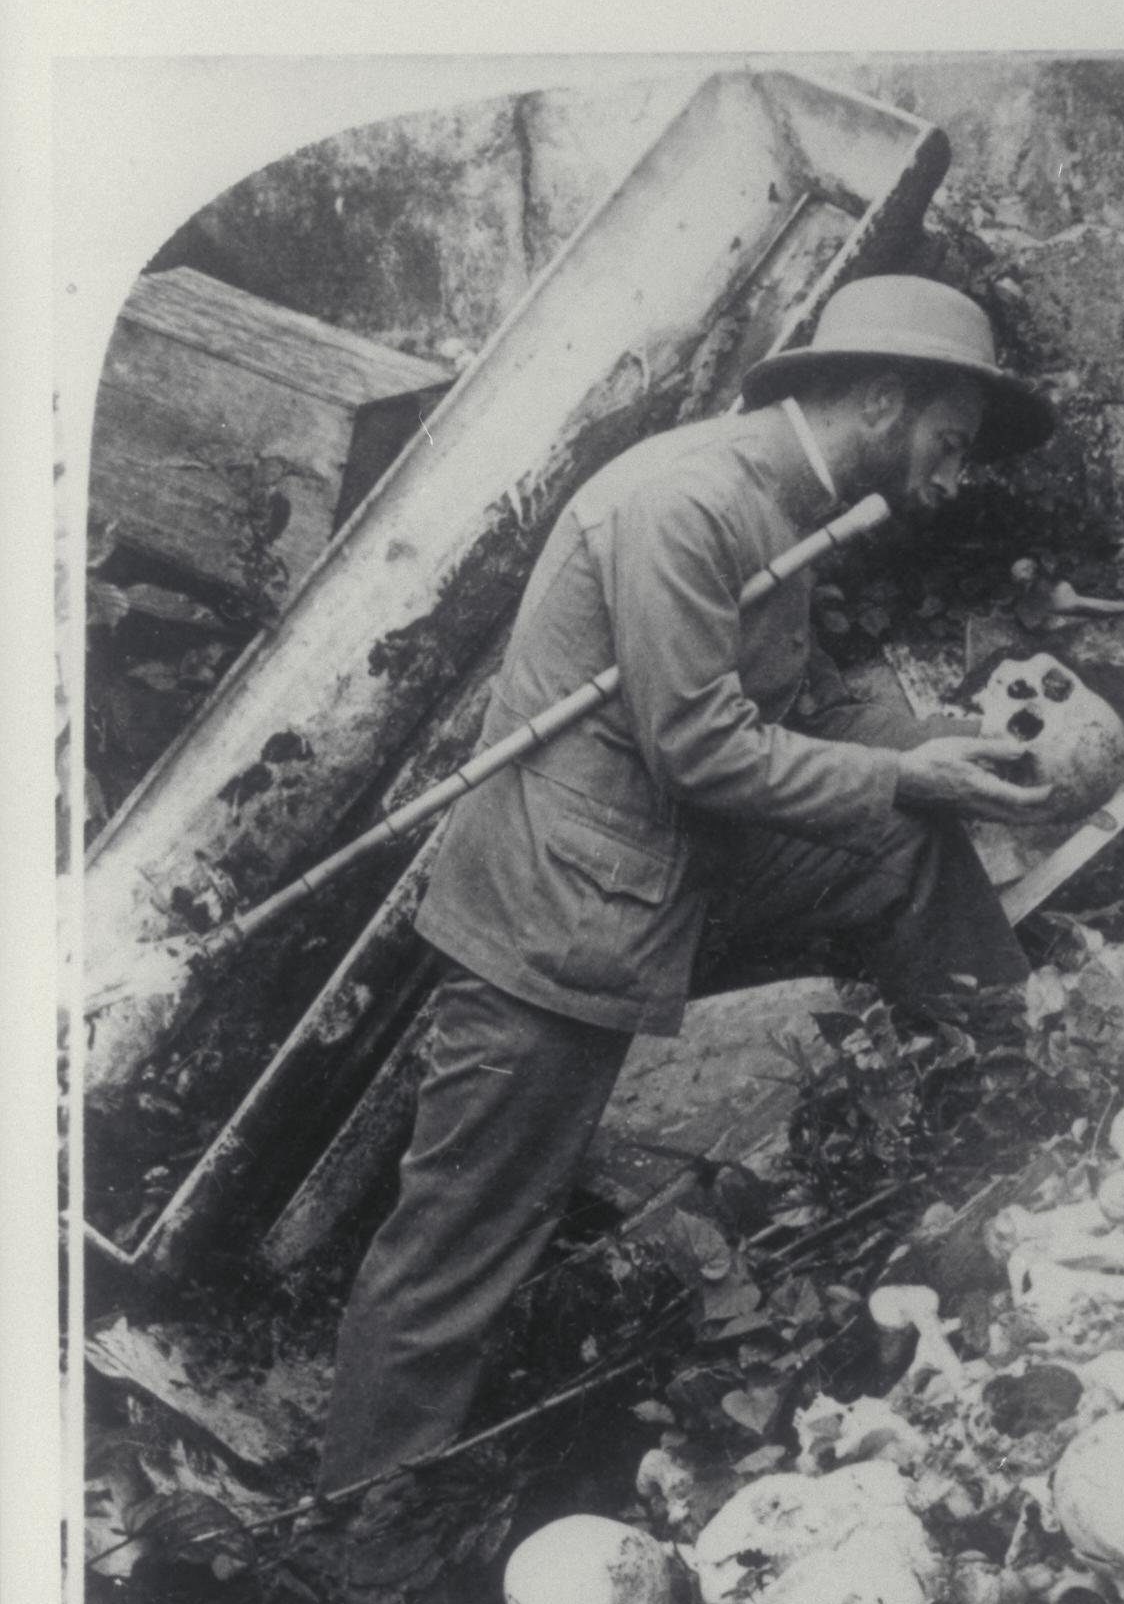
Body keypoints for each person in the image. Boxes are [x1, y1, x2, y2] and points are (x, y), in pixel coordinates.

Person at [318, 274, 1056, 1498]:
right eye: (947, 443)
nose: (949, 477)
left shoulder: (790, 501)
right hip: (562, 918)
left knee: (895, 845)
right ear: (879, 396)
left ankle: (1015, 1082)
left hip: (657, 875)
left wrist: (941, 751)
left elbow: (802, 701)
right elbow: (699, 746)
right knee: (462, 1246)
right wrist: (902, 777)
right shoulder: (687, 503)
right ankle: (358, 1531)